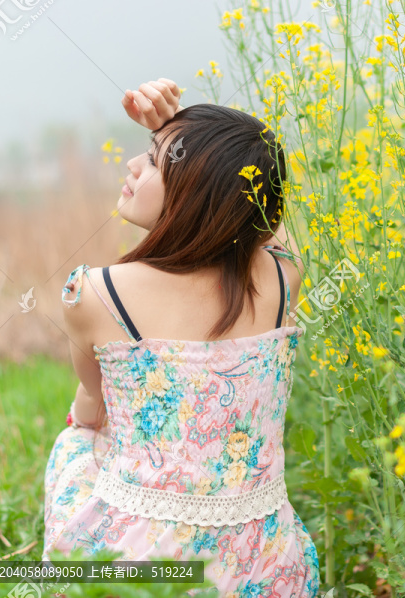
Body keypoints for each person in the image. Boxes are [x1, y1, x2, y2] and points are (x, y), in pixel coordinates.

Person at [42, 79, 319, 597]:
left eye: (152, 161)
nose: (132, 165)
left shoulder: (95, 292)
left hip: (146, 569)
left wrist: (172, 139)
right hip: (260, 563)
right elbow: (266, 223)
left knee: (76, 441)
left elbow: (92, 406)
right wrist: (179, 146)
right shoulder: (285, 276)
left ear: (194, 192)